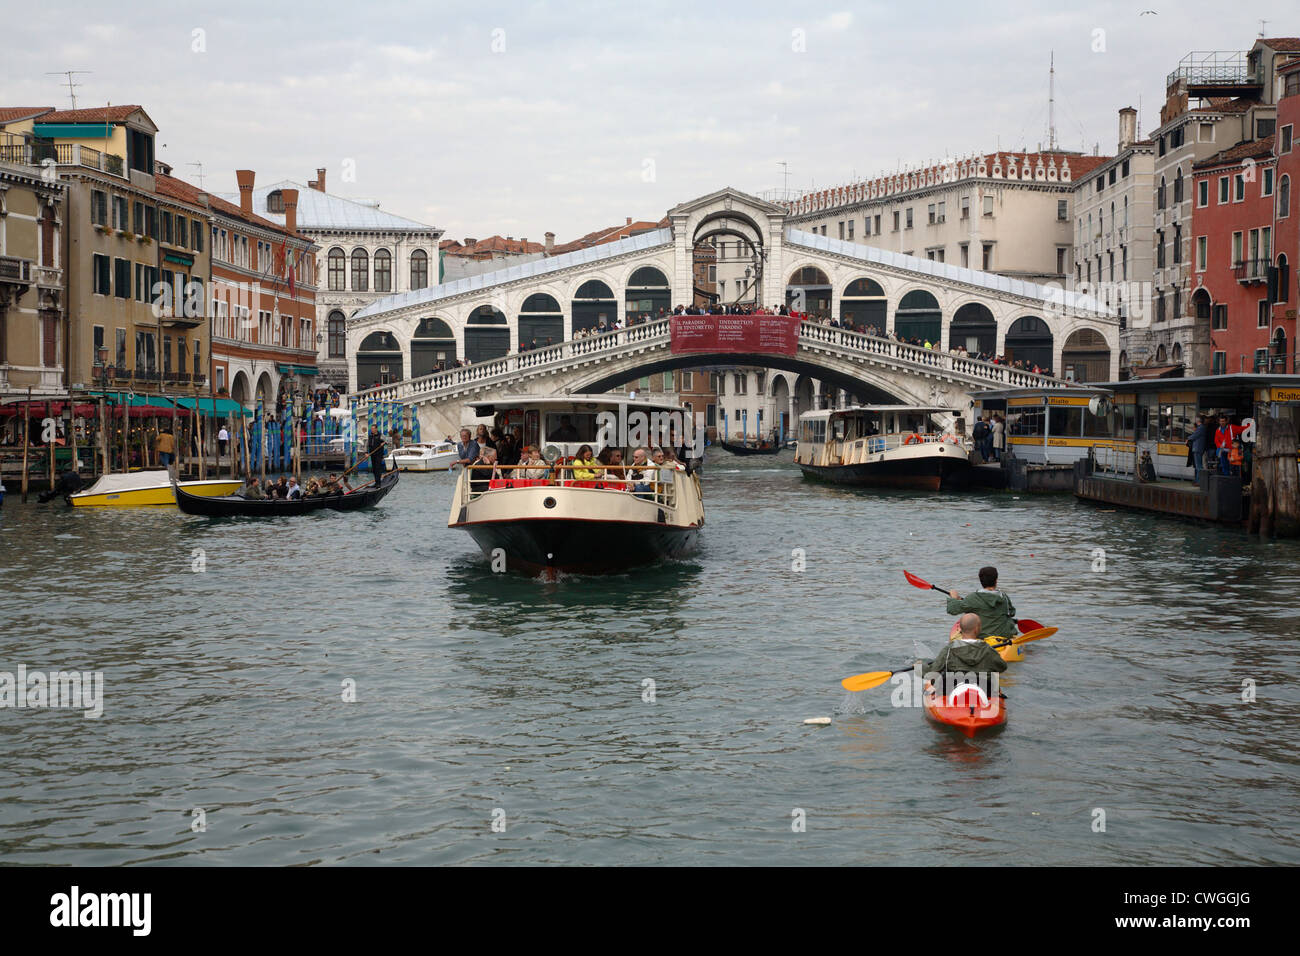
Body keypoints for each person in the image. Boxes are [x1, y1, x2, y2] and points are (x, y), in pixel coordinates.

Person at [924, 612, 1009, 695]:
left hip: (952, 687)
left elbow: (933, 671)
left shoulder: (949, 649)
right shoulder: (988, 650)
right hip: (985, 688)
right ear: (977, 629)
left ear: (960, 629)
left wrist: (921, 666)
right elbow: (1002, 667)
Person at [945, 566, 1018, 644]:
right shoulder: (1004, 598)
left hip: (982, 637)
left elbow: (952, 609)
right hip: (1003, 637)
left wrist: (953, 598)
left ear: (981, 581)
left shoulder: (973, 598)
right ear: (996, 580)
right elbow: (1011, 613)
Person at [1187, 415, 1210, 482]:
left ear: (1198, 420)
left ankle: (1200, 481)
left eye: (1196, 419)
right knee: (1198, 465)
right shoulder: (1201, 427)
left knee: (1199, 465)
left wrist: (1188, 438)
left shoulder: (1201, 428)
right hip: (1198, 448)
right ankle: (1197, 480)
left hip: (1198, 448)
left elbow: (1194, 436)